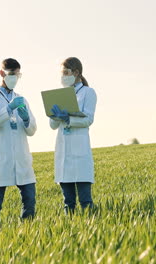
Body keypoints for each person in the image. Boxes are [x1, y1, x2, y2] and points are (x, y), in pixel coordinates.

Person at [0, 58, 37, 225]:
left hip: (21, 157)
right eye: (12, 74)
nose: (15, 78)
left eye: (17, 75)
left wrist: (26, 119)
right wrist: (8, 109)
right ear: (2, 74)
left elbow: (32, 130)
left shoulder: (22, 99)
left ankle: (26, 231)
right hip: (2, 157)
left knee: (29, 200)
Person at [49, 57, 97, 215]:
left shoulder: (88, 92)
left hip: (80, 152)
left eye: (66, 73)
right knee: (68, 202)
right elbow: (53, 125)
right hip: (63, 154)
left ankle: (91, 229)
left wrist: (69, 119)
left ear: (76, 73)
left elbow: (88, 119)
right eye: (62, 73)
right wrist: (55, 116)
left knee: (85, 201)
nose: (63, 77)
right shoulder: (60, 94)